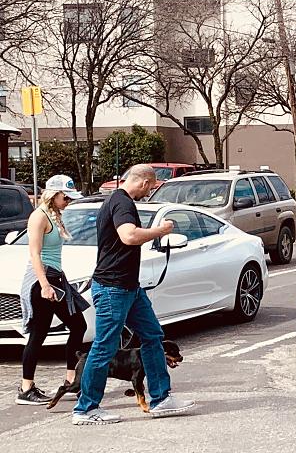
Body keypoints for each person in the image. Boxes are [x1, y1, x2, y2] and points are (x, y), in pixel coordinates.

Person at [72, 164, 195, 425]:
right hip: (112, 287)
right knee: (105, 346)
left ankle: (161, 399)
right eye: (151, 186)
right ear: (143, 182)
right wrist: (160, 231)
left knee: (152, 336)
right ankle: (85, 409)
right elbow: (128, 236)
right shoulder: (122, 203)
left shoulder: (119, 201)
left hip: (129, 287)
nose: (150, 191)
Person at [17, 175, 88, 405]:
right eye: (65, 197)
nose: (68, 201)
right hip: (43, 280)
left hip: (56, 278)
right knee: (39, 333)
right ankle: (26, 388)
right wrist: (45, 285)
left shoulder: (54, 215)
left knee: (78, 325)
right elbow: (35, 254)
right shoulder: (38, 216)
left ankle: (70, 380)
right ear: (53, 194)